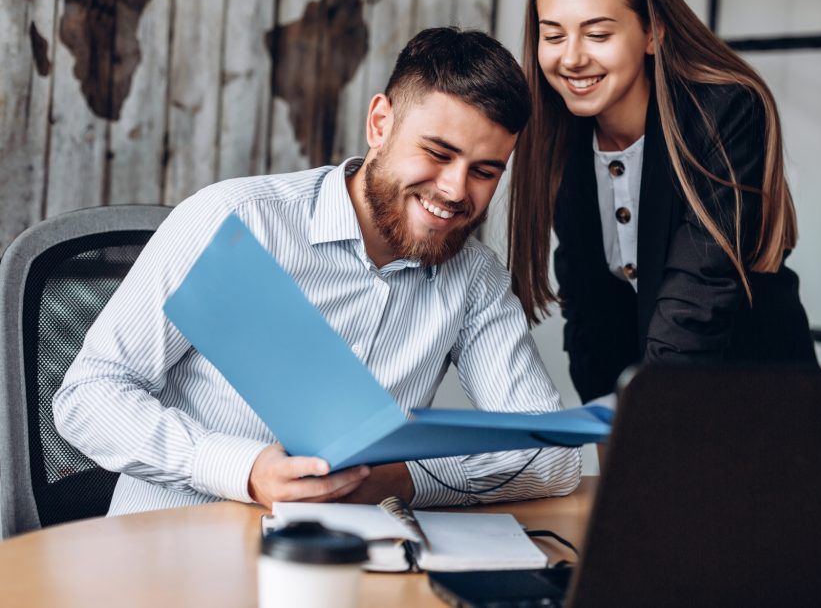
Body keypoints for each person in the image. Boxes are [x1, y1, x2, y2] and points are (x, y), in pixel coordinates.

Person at [54, 27, 581, 515]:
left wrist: (409, 480)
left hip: (340, 566)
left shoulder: (472, 277)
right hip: (174, 552)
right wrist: (244, 470)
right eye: (438, 154)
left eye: (485, 171)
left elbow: (551, 454)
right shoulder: (235, 220)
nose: (455, 190)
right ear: (380, 123)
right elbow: (89, 396)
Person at [507, 0, 818, 404]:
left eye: (597, 34)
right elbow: (590, 311)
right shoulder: (559, 136)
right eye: (553, 35)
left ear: (652, 33)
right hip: (652, 408)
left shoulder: (724, 114)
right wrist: (610, 431)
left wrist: (642, 424)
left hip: (762, 403)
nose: (570, 57)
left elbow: (699, 296)